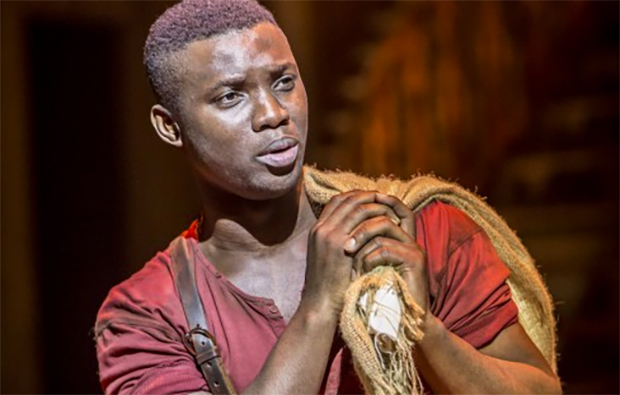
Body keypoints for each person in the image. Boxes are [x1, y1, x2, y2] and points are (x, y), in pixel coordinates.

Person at [94, 0, 561, 394]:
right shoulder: (146, 312)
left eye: (283, 82)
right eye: (232, 97)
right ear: (169, 126)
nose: (274, 114)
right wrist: (319, 304)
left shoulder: (414, 230)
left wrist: (420, 329)